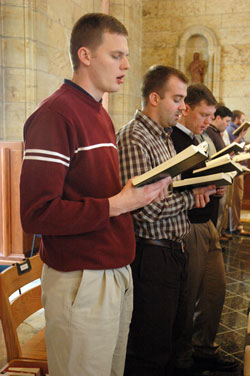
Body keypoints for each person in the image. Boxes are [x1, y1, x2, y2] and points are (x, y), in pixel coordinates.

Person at [19, 13, 172, 376]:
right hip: (82, 279)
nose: (127, 65)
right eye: (116, 55)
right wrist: (118, 203)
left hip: (113, 269)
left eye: (127, 56)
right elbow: (37, 213)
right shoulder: (56, 114)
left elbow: (97, 190)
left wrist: (141, 193)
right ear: (85, 56)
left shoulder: (97, 111)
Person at [116, 65, 216, 376]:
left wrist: (193, 189)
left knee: (172, 339)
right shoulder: (135, 138)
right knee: (149, 349)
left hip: (173, 248)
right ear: (155, 98)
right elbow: (144, 210)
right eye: (178, 99)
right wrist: (191, 197)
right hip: (151, 253)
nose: (183, 107)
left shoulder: (163, 136)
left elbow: (165, 192)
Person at [171, 85, 238, 375]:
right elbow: (174, 184)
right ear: (185, 108)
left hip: (207, 223)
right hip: (189, 226)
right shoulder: (173, 139)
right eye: (204, 114)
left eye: (212, 115)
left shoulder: (199, 138)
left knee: (214, 290)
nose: (208, 121)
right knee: (189, 296)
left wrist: (216, 184)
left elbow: (200, 177)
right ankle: (183, 357)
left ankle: (204, 346)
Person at [206, 106, 233, 241]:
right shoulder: (209, 132)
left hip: (218, 184)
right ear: (218, 118)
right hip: (211, 187)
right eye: (227, 121)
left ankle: (216, 237)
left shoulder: (216, 133)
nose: (228, 125)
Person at [226, 110, 250, 235]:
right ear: (236, 119)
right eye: (242, 119)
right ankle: (235, 226)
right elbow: (230, 150)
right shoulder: (231, 131)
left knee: (236, 199)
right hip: (235, 168)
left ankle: (233, 225)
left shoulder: (236, 131)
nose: (243, 122)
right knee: (235, 199)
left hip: (240, 168)